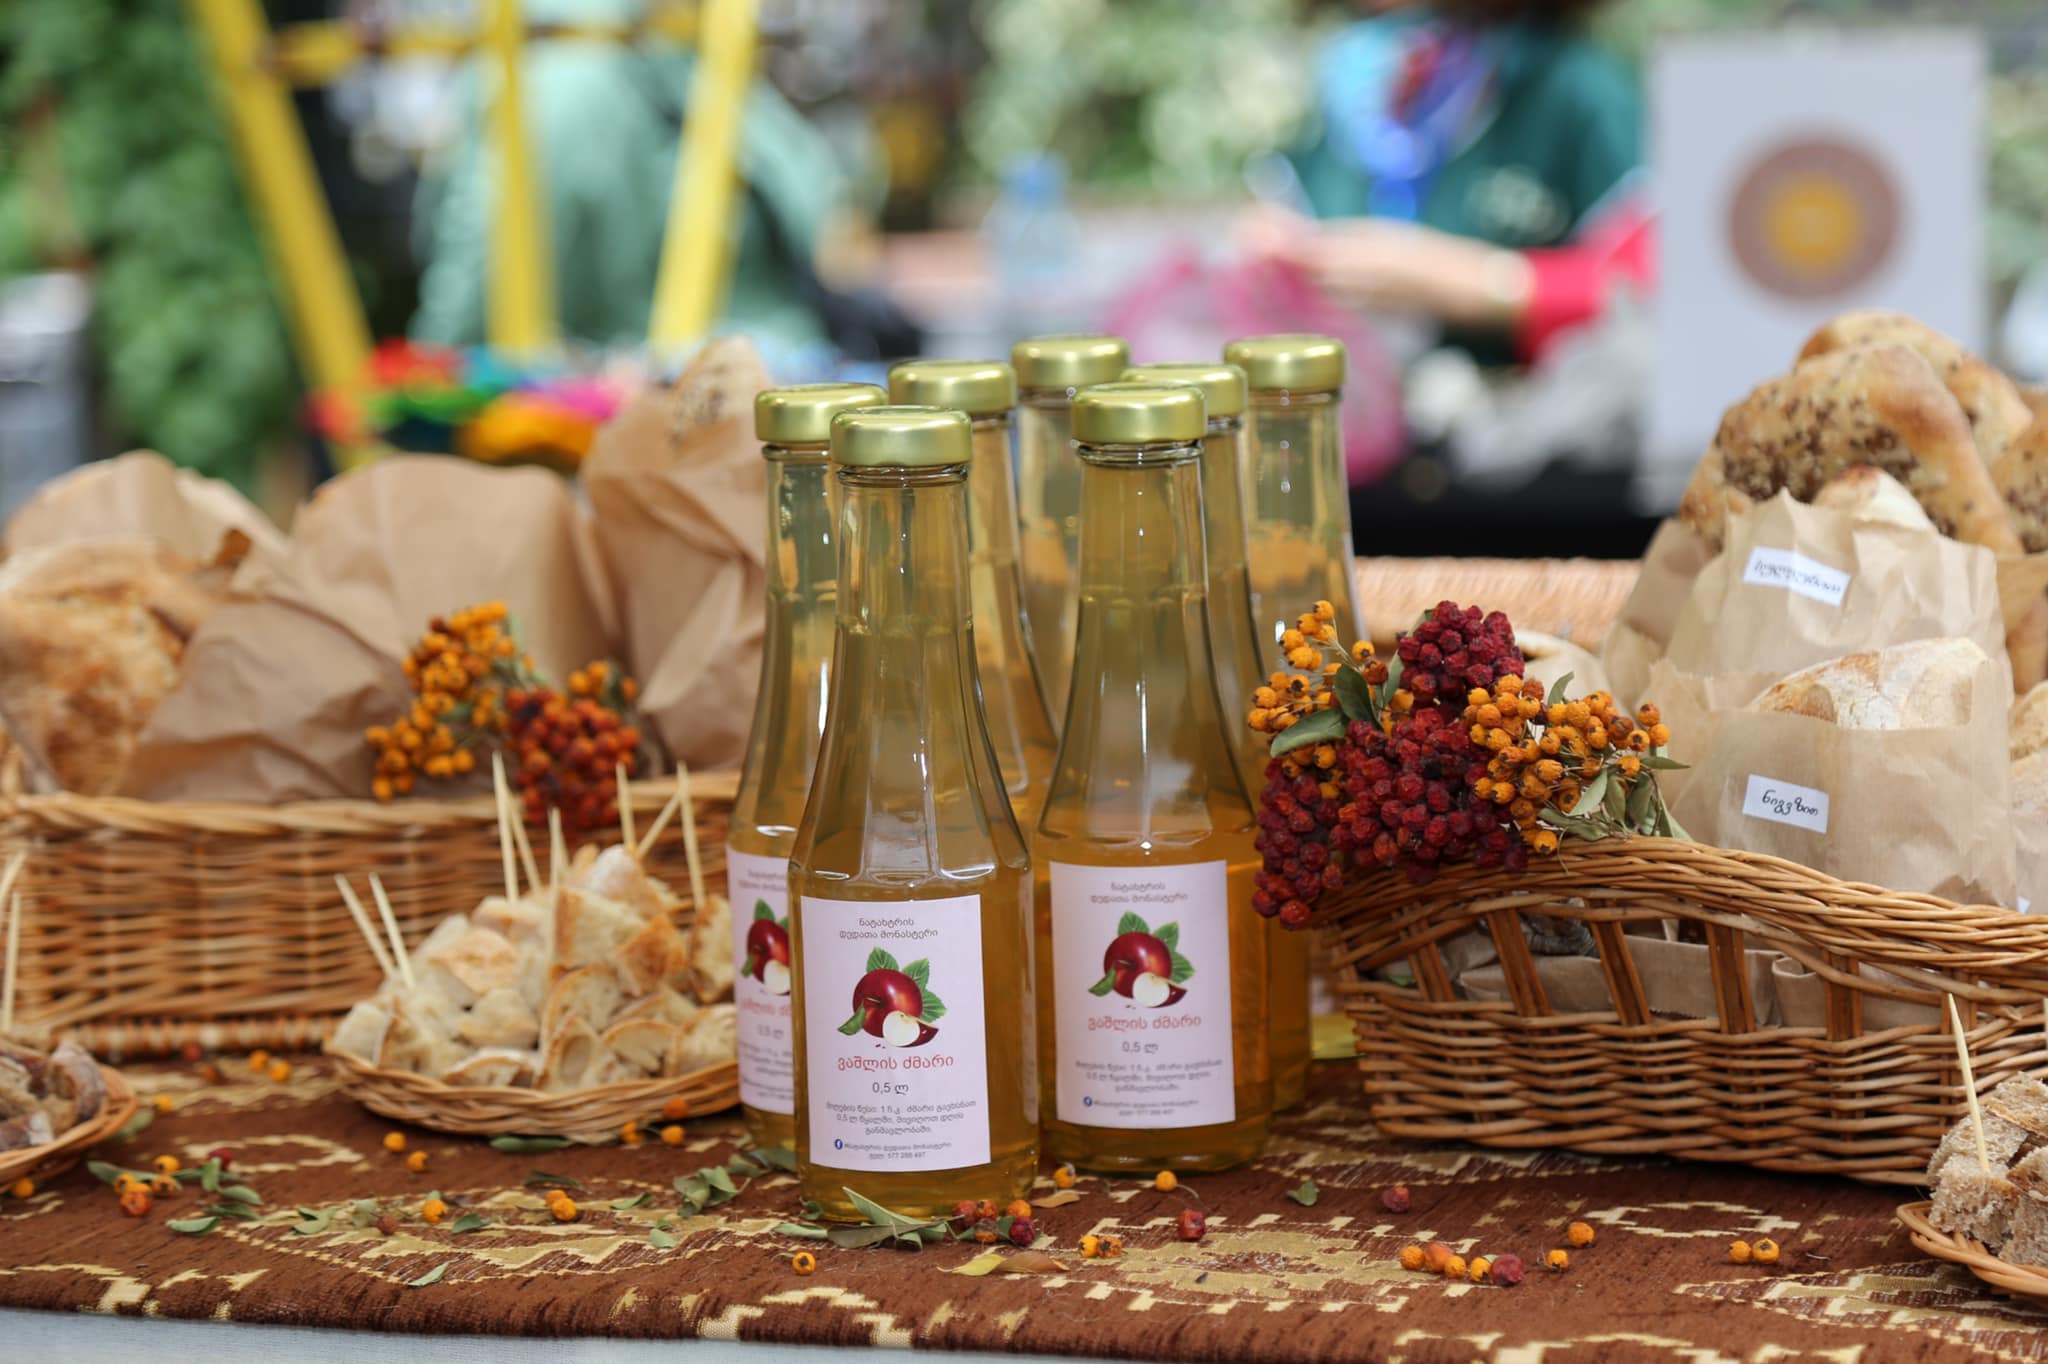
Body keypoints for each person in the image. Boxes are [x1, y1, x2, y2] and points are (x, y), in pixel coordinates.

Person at [409, 0, 851, 355]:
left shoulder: (674, 40)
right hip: (647, 391)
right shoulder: (582, 59)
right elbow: (489, 267)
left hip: (705, 378)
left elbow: (829, 227)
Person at [1243, 0, 1652, 366]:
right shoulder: (1356, 78)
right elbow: (1301, 205)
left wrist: (1488, 284)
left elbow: (1651, 286)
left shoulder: (1576, 89)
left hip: (1524, 409)